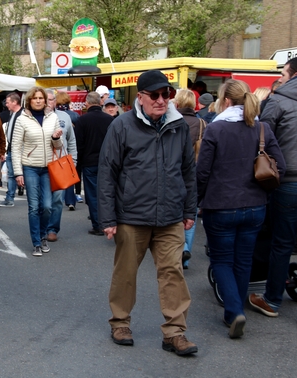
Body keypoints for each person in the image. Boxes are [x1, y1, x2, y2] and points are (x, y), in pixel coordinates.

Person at [98, 70, 198, 355]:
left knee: (173, 274)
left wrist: (189, 208)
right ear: (139, 98)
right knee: (126, 273)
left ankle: (175, 333)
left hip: (170, 216)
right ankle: (120, 322)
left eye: (165, 94)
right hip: (132, 215)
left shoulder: (178, 126)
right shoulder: (121, 126)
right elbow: (107, 174)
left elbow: (188, 171)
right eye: (154, 95)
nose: (160, 100)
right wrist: (108, 218)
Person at [197, 79, 285, 338]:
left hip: (221, 205)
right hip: (255, 205)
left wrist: (196, 201)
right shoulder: (262, 129)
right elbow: (280, 166)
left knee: (222, 259)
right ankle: (234, 310)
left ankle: (234, 310)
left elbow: (202, 172)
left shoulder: (215, 130)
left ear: (225, 101)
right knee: (243, 259)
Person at [250, 56, 297, 329]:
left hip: (290, 182)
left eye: (284, 73)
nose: (282, 78)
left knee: (281, 243)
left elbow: (261, 137)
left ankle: (272, 300)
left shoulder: (279, 101)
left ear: (295, 73)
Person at [12, 86, 62, 256]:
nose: (39, 101)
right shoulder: (22, 119)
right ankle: (36, 242)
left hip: (48, 167)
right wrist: (18, 172)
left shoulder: (53, 117)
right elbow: (16, 147)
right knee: (34, 207)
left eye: (41, 98)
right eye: (35, 98)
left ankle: (42, 236)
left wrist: (56, 138)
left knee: (47, 206)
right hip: (30, 167)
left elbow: (59, 146)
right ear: (30, 100)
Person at [75, 91, 114, 236]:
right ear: (100, 102)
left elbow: (79, 144)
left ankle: (97, 224)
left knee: (92, 194)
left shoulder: (82, 120)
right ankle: (109, 222)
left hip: (89, 161)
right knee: (108, 192)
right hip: (107, 161)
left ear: (87, 103)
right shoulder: (109, 120)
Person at [173, 89, 203, 269]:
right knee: (190, 212)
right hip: (196, 172)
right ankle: (186, 253)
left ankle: (179, 248)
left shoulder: (172, 122)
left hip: (175, 172)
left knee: (175, 211)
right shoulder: (202, 124)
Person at [45, 89, 77, 242]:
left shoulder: (64, 117)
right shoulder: (36, 117)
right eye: (46, 99)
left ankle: (52, 229)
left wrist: (73, 162)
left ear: (55, 101)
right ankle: (42, 225)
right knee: (43, 201)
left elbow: (71, 141)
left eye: (51, 99)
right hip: (41, 164)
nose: (48, 102)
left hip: (60, 164)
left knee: (57, 200)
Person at [0, 92, 23, 207]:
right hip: (11, 148)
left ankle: (10, 198)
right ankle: (10, 196)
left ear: (14, 102)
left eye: (8, 102)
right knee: (12, 174)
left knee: (13, 174)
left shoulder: (22, 114)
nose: (6, 105)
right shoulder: (13, 113)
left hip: (17, 149)